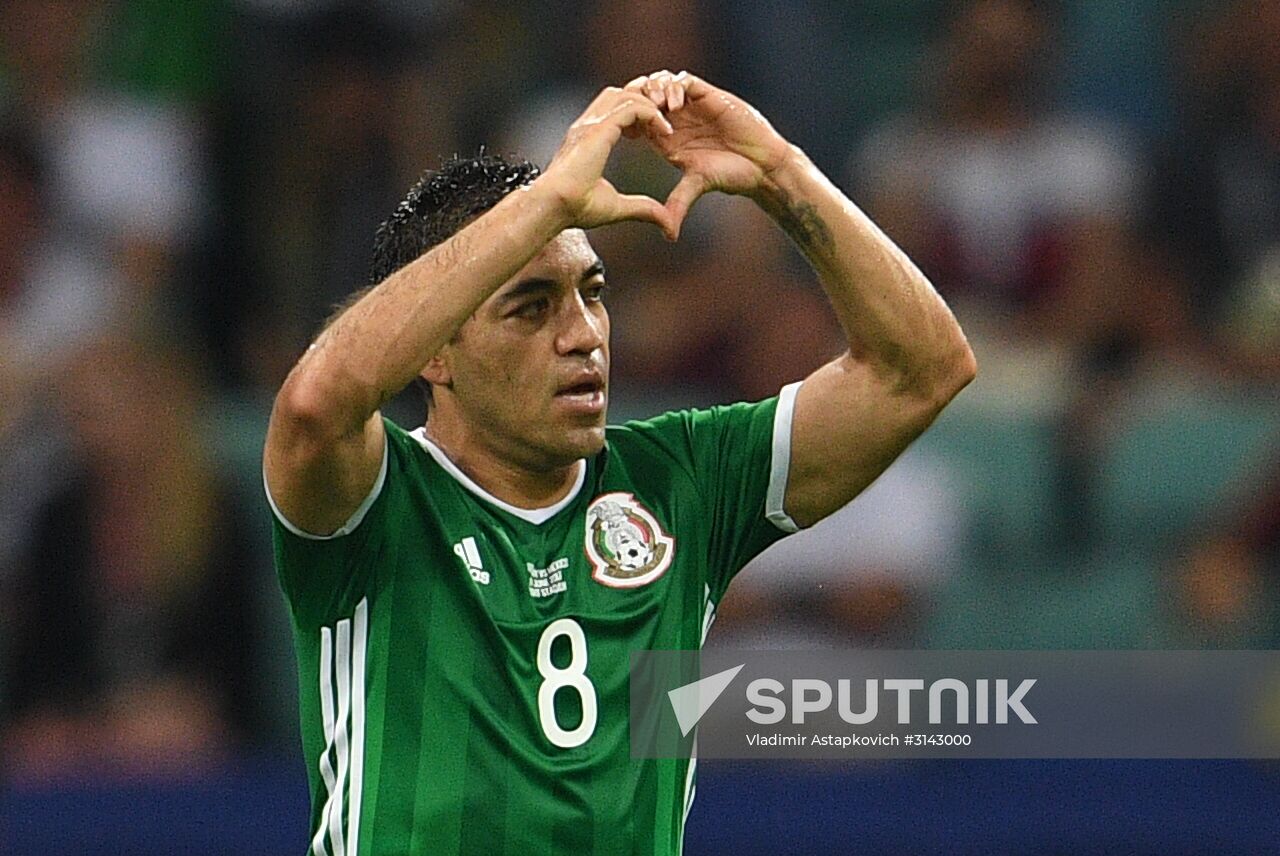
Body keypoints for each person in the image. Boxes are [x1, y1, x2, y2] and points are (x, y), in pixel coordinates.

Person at [263, 70, 975, 855]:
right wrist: (551, 199)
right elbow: (312, 406)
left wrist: (778, 172)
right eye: (532, 306)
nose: (583, 335)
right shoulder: (373, 496)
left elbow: (921, 369)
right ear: (435, 350)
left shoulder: (682, 479)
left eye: (592, 293)